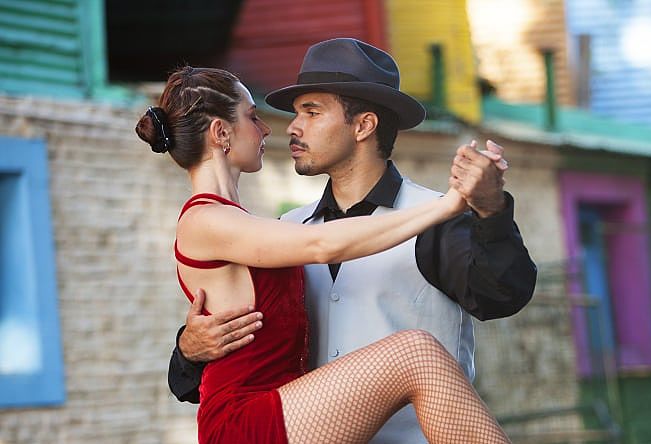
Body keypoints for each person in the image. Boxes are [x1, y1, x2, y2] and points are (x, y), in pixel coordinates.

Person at [168, 38, 538, 443]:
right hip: (286, 428)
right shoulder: (288, 230)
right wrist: (189, 351)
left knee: (417, 352)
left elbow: (504, 295)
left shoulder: (432, 220)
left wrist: (490, 209)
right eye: (295, 113)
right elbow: (226, 364)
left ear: (363, 125)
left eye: (311, 112)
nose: (291, 127)